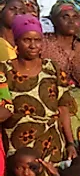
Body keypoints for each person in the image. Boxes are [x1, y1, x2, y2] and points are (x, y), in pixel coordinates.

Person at [0, 15, 75, 164]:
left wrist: (70, 142)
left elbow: (63, 108)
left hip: (52, 144)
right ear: (16, 42)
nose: (33, 45)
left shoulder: (52, 68)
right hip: (16, 146)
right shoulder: (4, 70)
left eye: (37, 40)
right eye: (27, 40)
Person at [41, 0, 80, 153]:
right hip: (52, 104)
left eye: (75, 17)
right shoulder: (43, 43)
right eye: (65, 17)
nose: (71, 21)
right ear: (54, 20)